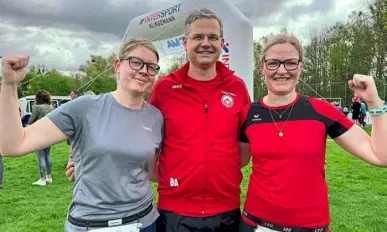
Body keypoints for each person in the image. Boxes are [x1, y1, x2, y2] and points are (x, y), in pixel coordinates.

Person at [0, 37, 163, 232]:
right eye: (136, 62)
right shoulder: (85, 107)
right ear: (118, 66)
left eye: (152, 67)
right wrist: (9, 85)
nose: (144, 71)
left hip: (144, 222)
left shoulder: (156, 118)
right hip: (91, 225)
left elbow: (153, 172)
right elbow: (13, 145)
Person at [238, 33, 387, 232]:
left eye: (290, 63)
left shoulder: (321, 110)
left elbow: (380, 156)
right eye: (273, 63)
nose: (281, 71)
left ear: (300, 66)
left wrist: (374, 102)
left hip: (311, 226)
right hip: (255, 225)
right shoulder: (248, 114)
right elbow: (238, 161)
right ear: (262, 66)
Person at [148, 8, 251, 232]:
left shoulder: (237, 88)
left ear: (221, 42)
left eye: (213, 37)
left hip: (226, 211)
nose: (206, 43)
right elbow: (143, 140)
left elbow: (244, 153)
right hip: (174, 212)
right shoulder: (165, 88)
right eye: (198, 37)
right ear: (185, 42)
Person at [28, 90, 54, 186]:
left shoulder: (36, 107)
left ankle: (42, 179)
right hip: (49, 134)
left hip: (38, 134)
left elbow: (31, 121)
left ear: (38, 98)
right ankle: (49, 177)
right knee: (47, 156)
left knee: (41, 157)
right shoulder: (51, 107)